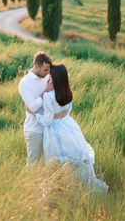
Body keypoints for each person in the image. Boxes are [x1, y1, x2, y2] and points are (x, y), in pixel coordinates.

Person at [35, 64, 108, 193]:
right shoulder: (68, 93)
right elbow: (67, 112)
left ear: (55, 81)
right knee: (74, 156)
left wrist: (37, 115)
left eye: (50, 80)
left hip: (55, 131)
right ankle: (76, 184)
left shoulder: (48, 96)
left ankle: (58, 186)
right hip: (69, 125)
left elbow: (47, 120)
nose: (48, 82)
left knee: (56, 159)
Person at [18, 52, 68, 166]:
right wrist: (47, 91)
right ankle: (25, 184)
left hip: (50, 129)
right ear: (36, 67)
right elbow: (33, 107)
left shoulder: (46, 77)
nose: (48, 73)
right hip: (35, 129)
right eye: (45, 70)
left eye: (49, 70)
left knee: (46, 165)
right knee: (33, 164)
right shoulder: (25, 83)